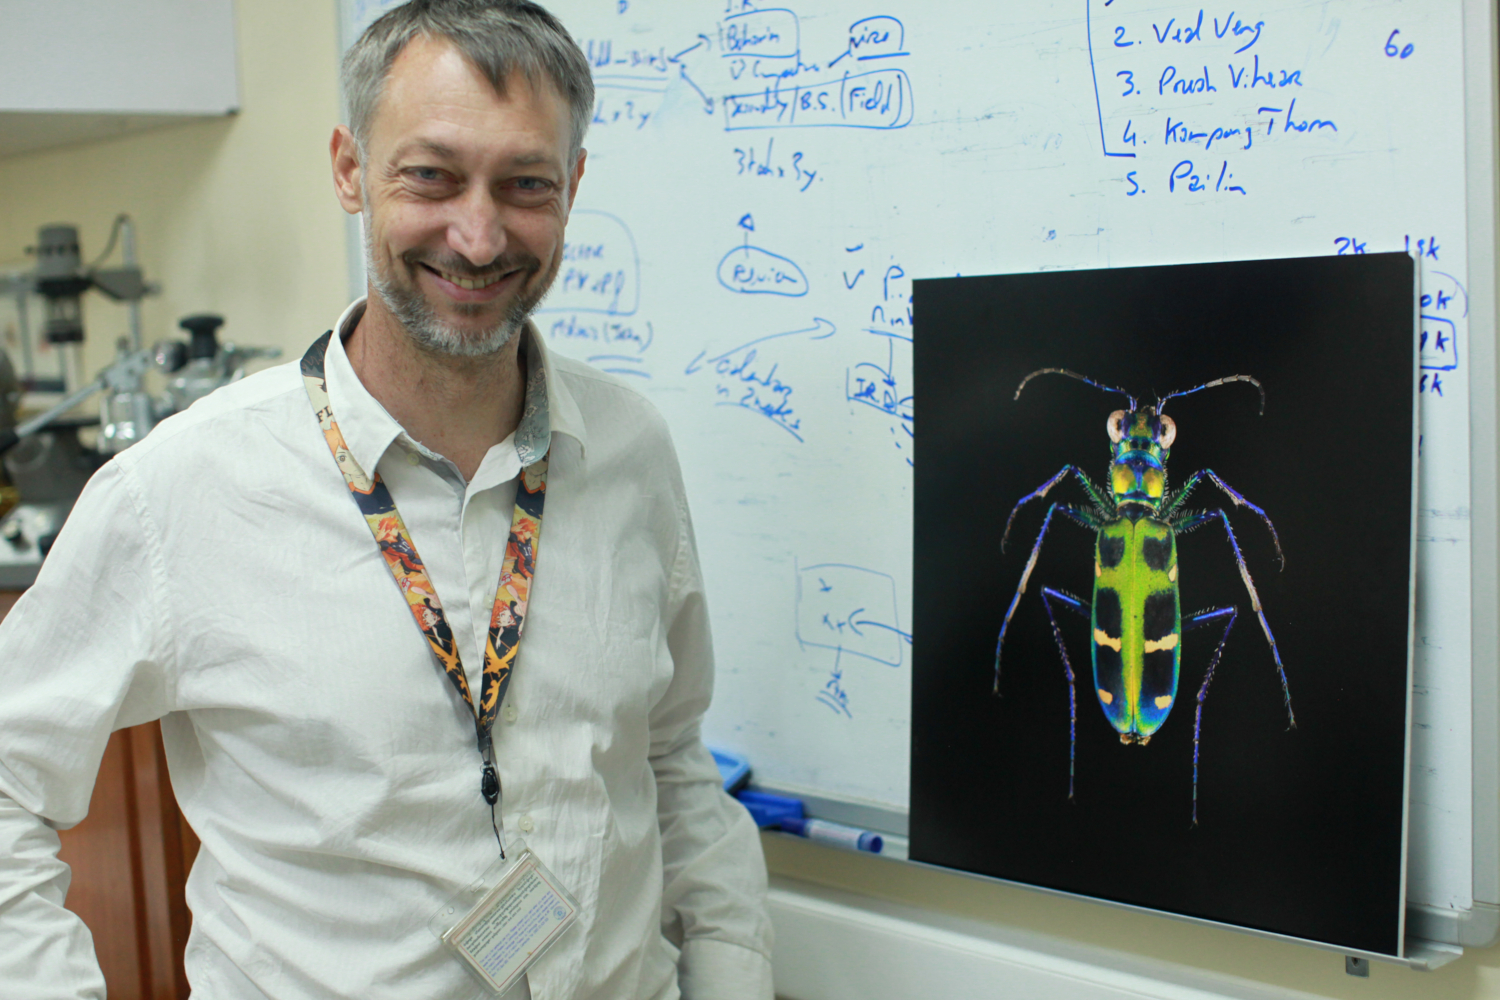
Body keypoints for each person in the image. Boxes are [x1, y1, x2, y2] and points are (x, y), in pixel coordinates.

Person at [0, 1, 774, 996]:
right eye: (431, 175)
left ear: (573, 187)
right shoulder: (181, 489)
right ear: (350, 170)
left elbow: (672, 763)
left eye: (525, 183)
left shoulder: (628, 451)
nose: (480, 231)